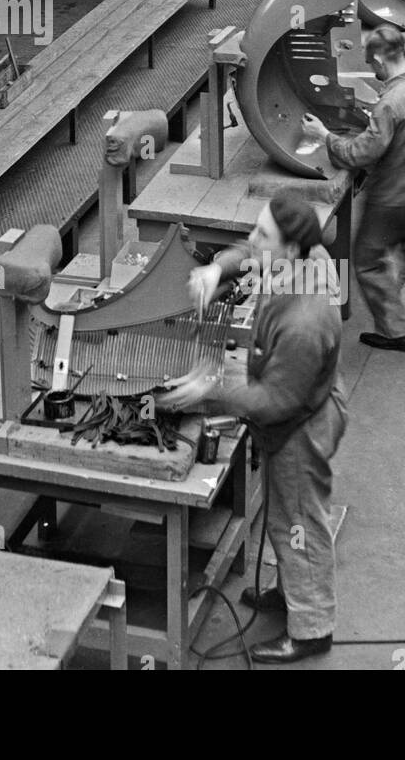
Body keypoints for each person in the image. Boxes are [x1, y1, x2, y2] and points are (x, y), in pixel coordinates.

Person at [158, 193, 347, 665]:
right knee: (287, 518)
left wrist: (212, 388)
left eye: (264, 234)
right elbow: (246, 255)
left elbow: (277, 402)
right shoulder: (299, 258)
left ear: (288, 251)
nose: (252, 238)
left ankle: (311, 629)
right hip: (301, 397)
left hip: (304, 424)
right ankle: (293, 595)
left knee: (300, 519)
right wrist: (216, 271)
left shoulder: (305, 318)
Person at [301, 25, 405, 367]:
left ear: (378, 60)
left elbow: (362, 154)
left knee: (368, 261)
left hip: (393, 202)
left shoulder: (390, 103)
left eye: (372, 66)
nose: (373, 72)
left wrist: (325, 136)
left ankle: (396, 331)